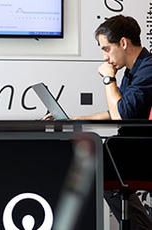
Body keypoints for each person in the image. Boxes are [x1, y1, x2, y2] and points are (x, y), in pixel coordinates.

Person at [43, 15, 152, 230]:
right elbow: (118, 111)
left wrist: (108, 79)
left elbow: (121, 116)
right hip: (130, 148)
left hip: (142, 151)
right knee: (89, 158)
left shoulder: (148, 69)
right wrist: (75, 119)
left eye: (106, 49)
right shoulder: (134, 71)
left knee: (87, 164)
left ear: (123, 43)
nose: (105, 57)